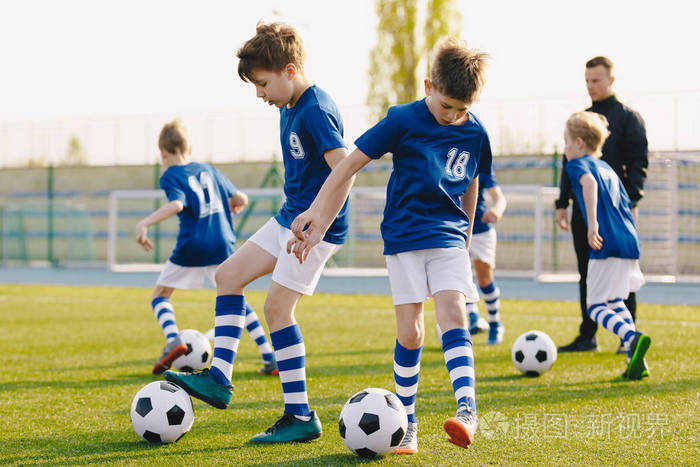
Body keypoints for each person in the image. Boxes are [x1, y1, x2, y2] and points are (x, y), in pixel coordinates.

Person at [288, 38, 491, 453]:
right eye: (446, 105)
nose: (453, 116)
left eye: (461, 109)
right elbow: (349, 163)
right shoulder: (402, 119)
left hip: (448, 236)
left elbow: (473, 179)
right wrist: (317, 212)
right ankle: (409, 422)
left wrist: (466, 233)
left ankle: (467, 409)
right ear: (427, 85)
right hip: (402, 239)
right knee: (411, 333)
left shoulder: (476, 132)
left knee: (453, 311)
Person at [163, 22, 351, 444]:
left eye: (263, 83)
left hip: (317, 227)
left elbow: (345, 169)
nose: (259, 93)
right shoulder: (288, 106)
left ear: (289, 70)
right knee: (227, 276)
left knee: (277, 309)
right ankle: (219, 380)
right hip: (291, 218)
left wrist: (318, 223)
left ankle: (300, 416)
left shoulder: (316, 108)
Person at [137, 120, 278, 377]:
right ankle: (269, 355)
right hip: (222, 241)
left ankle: (173, 340)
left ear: (163, 152)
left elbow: (177, 204)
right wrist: (235, 204)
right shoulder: (208, 170)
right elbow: (241, 198)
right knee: (236, 297)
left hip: (193, 243)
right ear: (188, 147)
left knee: (160, 295)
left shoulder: (170, 174)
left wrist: (145, 222)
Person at [556, 56, 648, 353]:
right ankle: (589, 336)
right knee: (589, 272)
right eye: (587, 81)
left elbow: (637, 164)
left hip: (614, 213)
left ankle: (628, 336)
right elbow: (566, 166)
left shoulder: (627, 119)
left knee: (615, 285)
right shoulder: (581, 120)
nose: (590, 86)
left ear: (611, 80)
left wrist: (631, 201)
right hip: (588, 213)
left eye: (595, 80)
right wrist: (562, 203)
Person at [562, 111, 650, 379]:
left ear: (578, 143)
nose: (564, 148)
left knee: (595, 307)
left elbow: (587, 184)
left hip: (606, 242)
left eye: (565, 142)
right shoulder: (608, 168)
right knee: (614, 300)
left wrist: (592, 224)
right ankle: (635, 361)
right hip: (628, 242)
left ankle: (630, 337)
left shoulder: (579, 165)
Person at [436, 174, 507, 344]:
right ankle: (473, 317)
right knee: (458, 277)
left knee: (484, 279)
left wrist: (497, 209)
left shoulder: (481, 158)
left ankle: (495, 323)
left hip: (481, 229)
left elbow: (499, 198)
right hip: (453, 230)